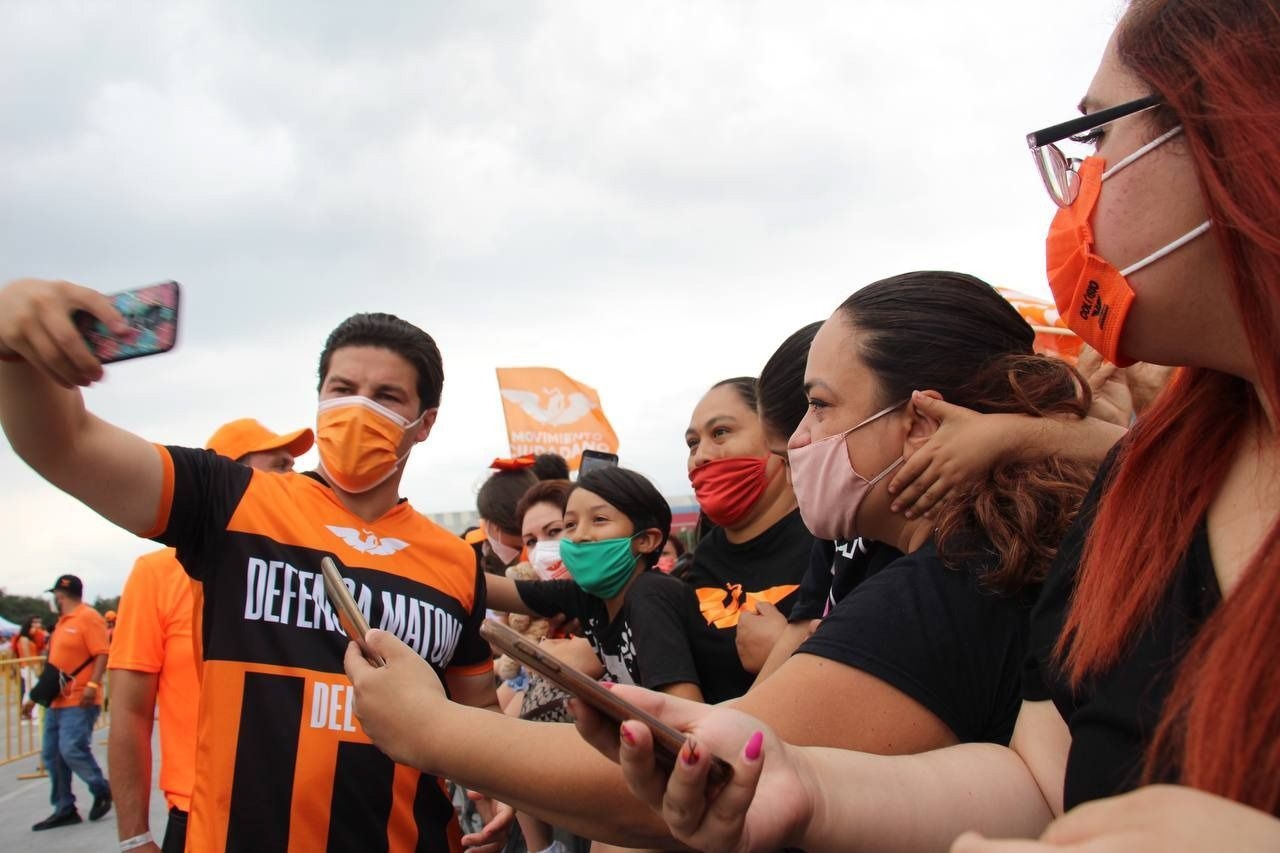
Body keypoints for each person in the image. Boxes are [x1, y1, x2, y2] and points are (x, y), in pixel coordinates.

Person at [576, 1, 1280, 849]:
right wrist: (811, 787)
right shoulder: (1150, 480)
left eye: (1096, 139)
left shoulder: (962, 577)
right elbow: (1038, 777)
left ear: (1239, 128)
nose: (1075, 189)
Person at [342, 271, 1116, 848]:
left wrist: (428, 727)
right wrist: (797, 779)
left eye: (818, 406)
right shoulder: (921, 563)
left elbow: (704, 776)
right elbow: (1023, 789)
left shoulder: (955, 581)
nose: (795, 441)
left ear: (918, 421)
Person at [0, 299, 505, 852]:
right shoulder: (230, 500)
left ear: (424, 422)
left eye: (386, 396)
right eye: (342, 389)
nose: (358, 408)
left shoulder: (455, 561)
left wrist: (504, 793)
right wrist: (13, 346)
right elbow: (66, 444)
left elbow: (476, 706)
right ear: (319, 399)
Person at [108, 417, 314, 853]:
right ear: (229, 475)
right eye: (279, 466)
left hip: (305, 816)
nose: (294, 480)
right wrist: (134, 836)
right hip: (205, 819)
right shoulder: (157, 575)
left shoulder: (306, 573)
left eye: (294, 467)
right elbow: (129, 713)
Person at [486, 466, 745, 703]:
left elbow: (685, 715)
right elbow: (486, 589)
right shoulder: (588, 597)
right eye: (570, 525)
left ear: (646, 540)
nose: (579, 536)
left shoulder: (650, 596)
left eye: (599, 519)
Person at [684, 377, 817, 688]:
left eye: (720, 432)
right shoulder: (705, 556)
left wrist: (785, 653)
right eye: (692, 443)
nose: (700, 456)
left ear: (775, 434)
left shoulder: (828, 542)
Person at [32, 573, 112, 831]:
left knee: (71, 749)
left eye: (56, 595)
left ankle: (102, 788)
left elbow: (102, 653)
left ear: (60, 595)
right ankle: (64, 807)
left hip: (79, 699)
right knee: (52, 754)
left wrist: (92, 685)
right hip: (57, 700)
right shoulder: (62, 622)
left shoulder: (88, 618)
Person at [14, 615, 42, 721]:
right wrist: (34, 668)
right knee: (33, 690)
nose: (37, 626)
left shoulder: (29, 638)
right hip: (28, 667)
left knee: (29, 690)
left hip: (30, 666)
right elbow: (27, 655)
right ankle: (33, 713)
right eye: (34, 623)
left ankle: (26, 713)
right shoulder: (24, 639)